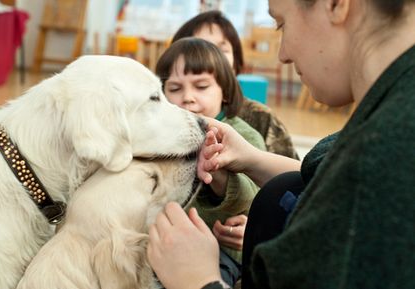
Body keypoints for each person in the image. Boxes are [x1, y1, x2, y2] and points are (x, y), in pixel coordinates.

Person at [147, 0, 415, 289]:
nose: (283, 54)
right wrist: (251, 158)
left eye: (281, 24)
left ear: (336, 4)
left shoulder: (386, 154)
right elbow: (320, 172)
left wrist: (198, 280)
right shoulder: (389, 118)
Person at [155, 37, 266, 287]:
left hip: (217, 253)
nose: (187, 98)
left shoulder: (242, 135)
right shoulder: (161, 136)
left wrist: (217, 173)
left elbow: (250, 196)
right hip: (159, 242)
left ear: (225, 91)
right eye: (174, 89)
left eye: (201, 86)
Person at [171, 10, 299, 159]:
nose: (213, 57)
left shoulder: (260, 118)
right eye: (200, 49)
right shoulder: (163, 116)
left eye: (221, 50)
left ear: (236, 62)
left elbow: (293, 178)